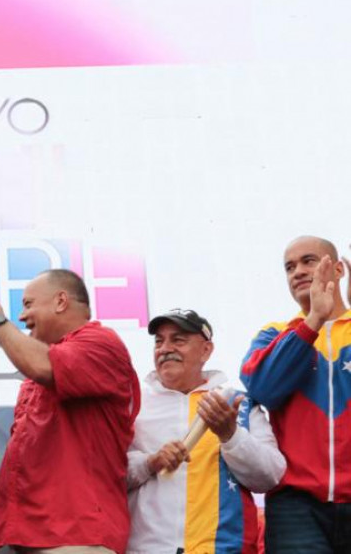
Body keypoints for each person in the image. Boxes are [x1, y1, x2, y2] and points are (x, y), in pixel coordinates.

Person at [0, 268, 139, 554]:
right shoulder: (46, 364)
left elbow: (42, 366)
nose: (22, 316)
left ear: (61, 301)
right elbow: (33, 435)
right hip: (38, 536)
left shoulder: (100, 343)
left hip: (78, 535)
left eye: (28, 304)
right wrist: (0, 485)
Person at [127, 309, 284, 553]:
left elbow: (270, 476)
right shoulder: (134, 406)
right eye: (159, 341)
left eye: (178, 340)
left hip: (222, 547)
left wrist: (231, 435)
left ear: (206, 350)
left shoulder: (237, 404)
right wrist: (150, 462)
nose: (165, 348)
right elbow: (106, 475)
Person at [240, 235, 351, 551]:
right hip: (296, 506)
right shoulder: (274, 333)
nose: (298, 271)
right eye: (289, 267)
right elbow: (264, 388)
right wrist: (313, 321)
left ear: (338, 270)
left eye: (308, 261)